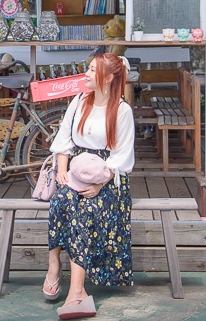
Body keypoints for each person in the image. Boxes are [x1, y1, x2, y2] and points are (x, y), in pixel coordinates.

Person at [44, 53, 135, 319]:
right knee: (61, 201)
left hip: (110, 177)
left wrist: (100, 184)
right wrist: (62, 171)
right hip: (76, 171)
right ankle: (53, 268)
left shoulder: (122, 110)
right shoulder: (80, 101)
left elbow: (121, 158)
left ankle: (76, 291)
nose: (85, 73)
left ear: (108, 78)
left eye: (92, 70)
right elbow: (64, 140)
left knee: (85, 211)